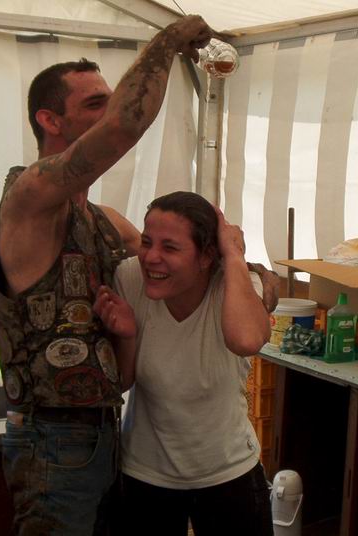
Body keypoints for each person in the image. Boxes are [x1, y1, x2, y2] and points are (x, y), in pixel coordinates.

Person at [0, 16, 219, 536]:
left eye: (110, 101)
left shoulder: (102, 220)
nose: (110, 111)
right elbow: (123, 126)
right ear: (49, 120)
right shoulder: (28, 198)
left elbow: (180, 259)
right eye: (95, 103)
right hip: (52, 440)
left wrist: (247, 269)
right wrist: (169, 39)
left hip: (105, 431)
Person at [94, 191, 274, 536]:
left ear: (206, 256)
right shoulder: (130, 278)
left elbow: (247, 340)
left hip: (228, 471)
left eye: (170, 248)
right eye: (147, 242)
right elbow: (121, 383)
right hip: (146, 473)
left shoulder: (234, 283)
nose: (152, 258)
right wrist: (127, 335)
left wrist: (233, 254)